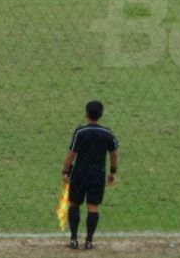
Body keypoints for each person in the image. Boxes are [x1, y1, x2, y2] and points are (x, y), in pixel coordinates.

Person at [61, 101, 119, 250]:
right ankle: (89, 241)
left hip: (80, 173)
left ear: (86, 114)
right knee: (93, 207)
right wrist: (113, 172)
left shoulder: (80, 132)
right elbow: (114, 155)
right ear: (101, 115)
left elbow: (71, 154)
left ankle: (74, 239)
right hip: (98, 174)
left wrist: (65, 172)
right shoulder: (107, 133)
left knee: (74, 203)